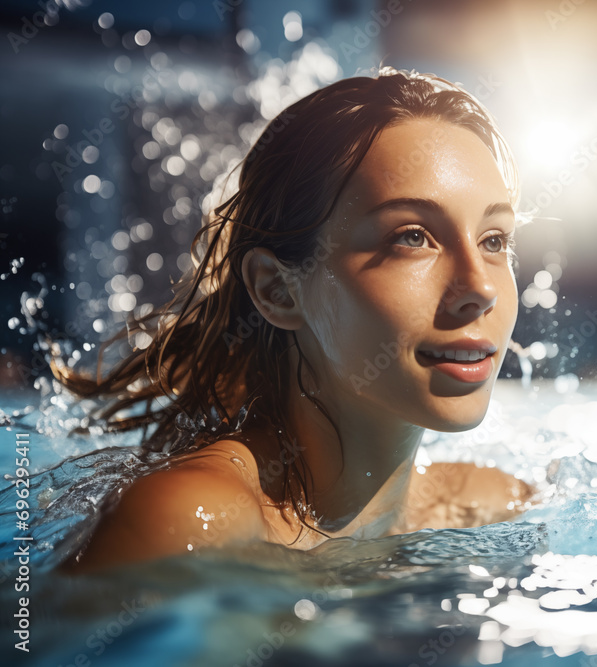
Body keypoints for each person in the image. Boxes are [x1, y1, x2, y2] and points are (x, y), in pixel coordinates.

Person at [55, 67, 535, 573]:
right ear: (277, 289)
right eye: (412, 237)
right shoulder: (186, 522)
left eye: (494, 240)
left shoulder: (487, 504)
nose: (480, 288)